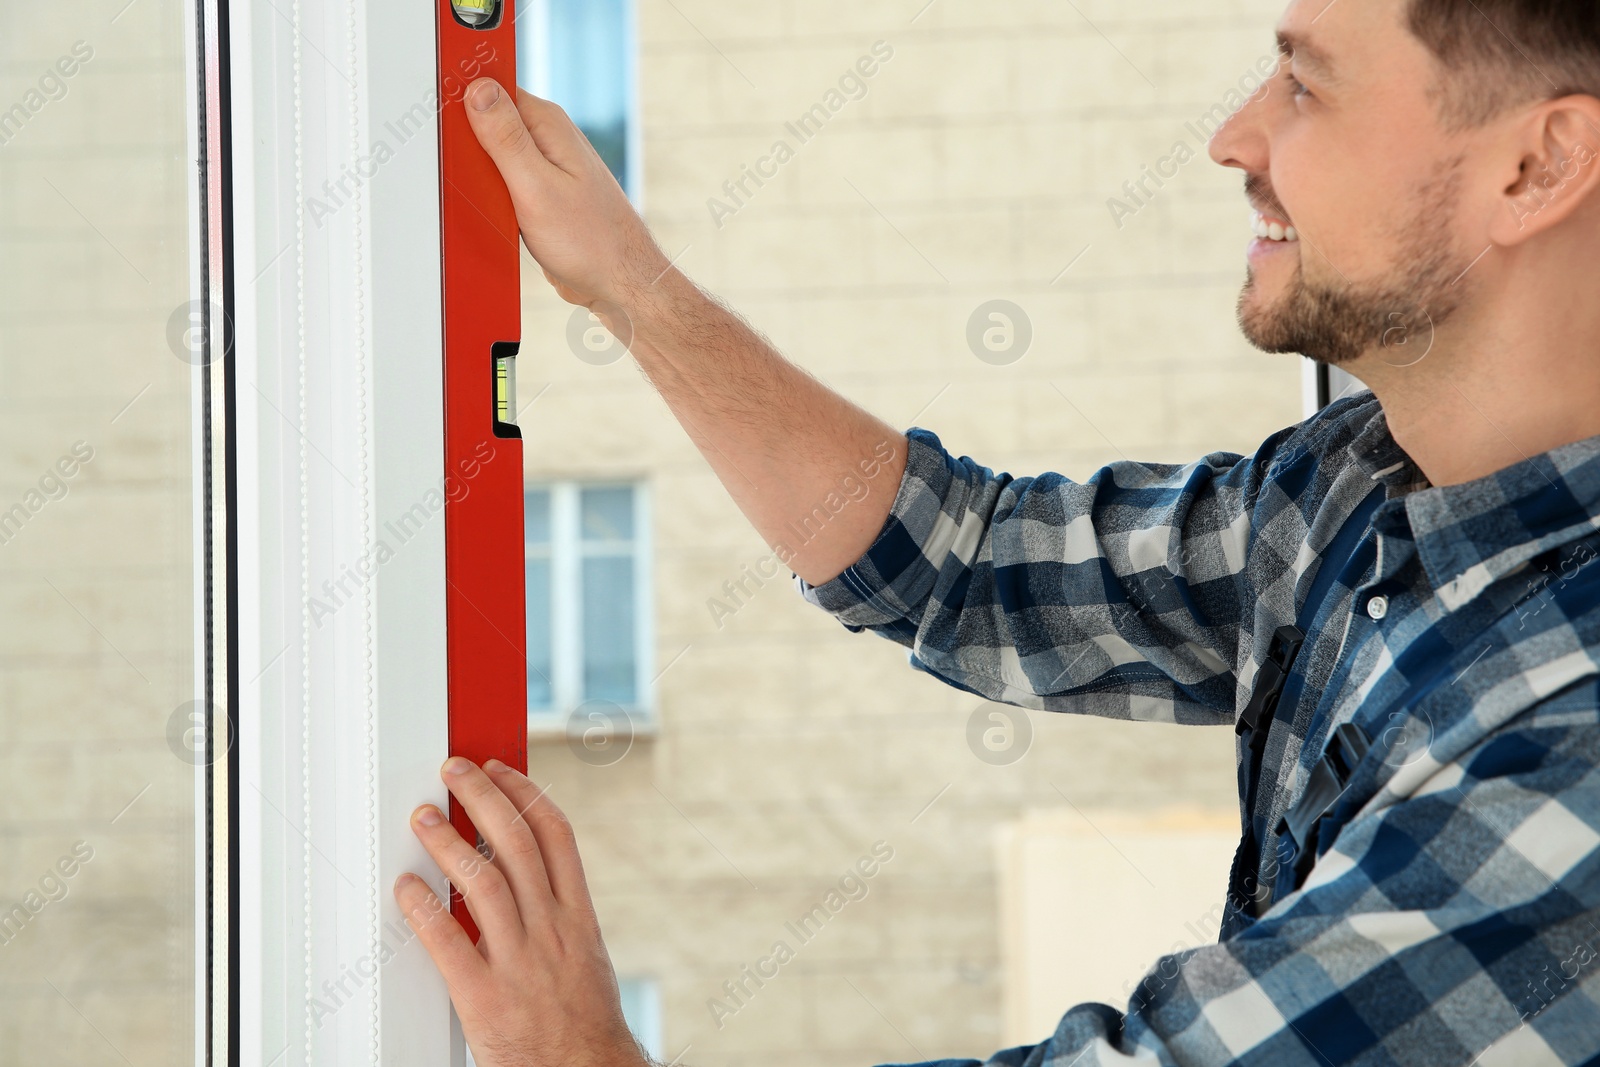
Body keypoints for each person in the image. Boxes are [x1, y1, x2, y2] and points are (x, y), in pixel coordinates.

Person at [394, 0, 1600, 1063]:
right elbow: (968, 562)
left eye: (1303, 82)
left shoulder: (1570, 751)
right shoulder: (1358, 483)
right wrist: (629, 286)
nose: (1234, 136)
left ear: (1535, 167)